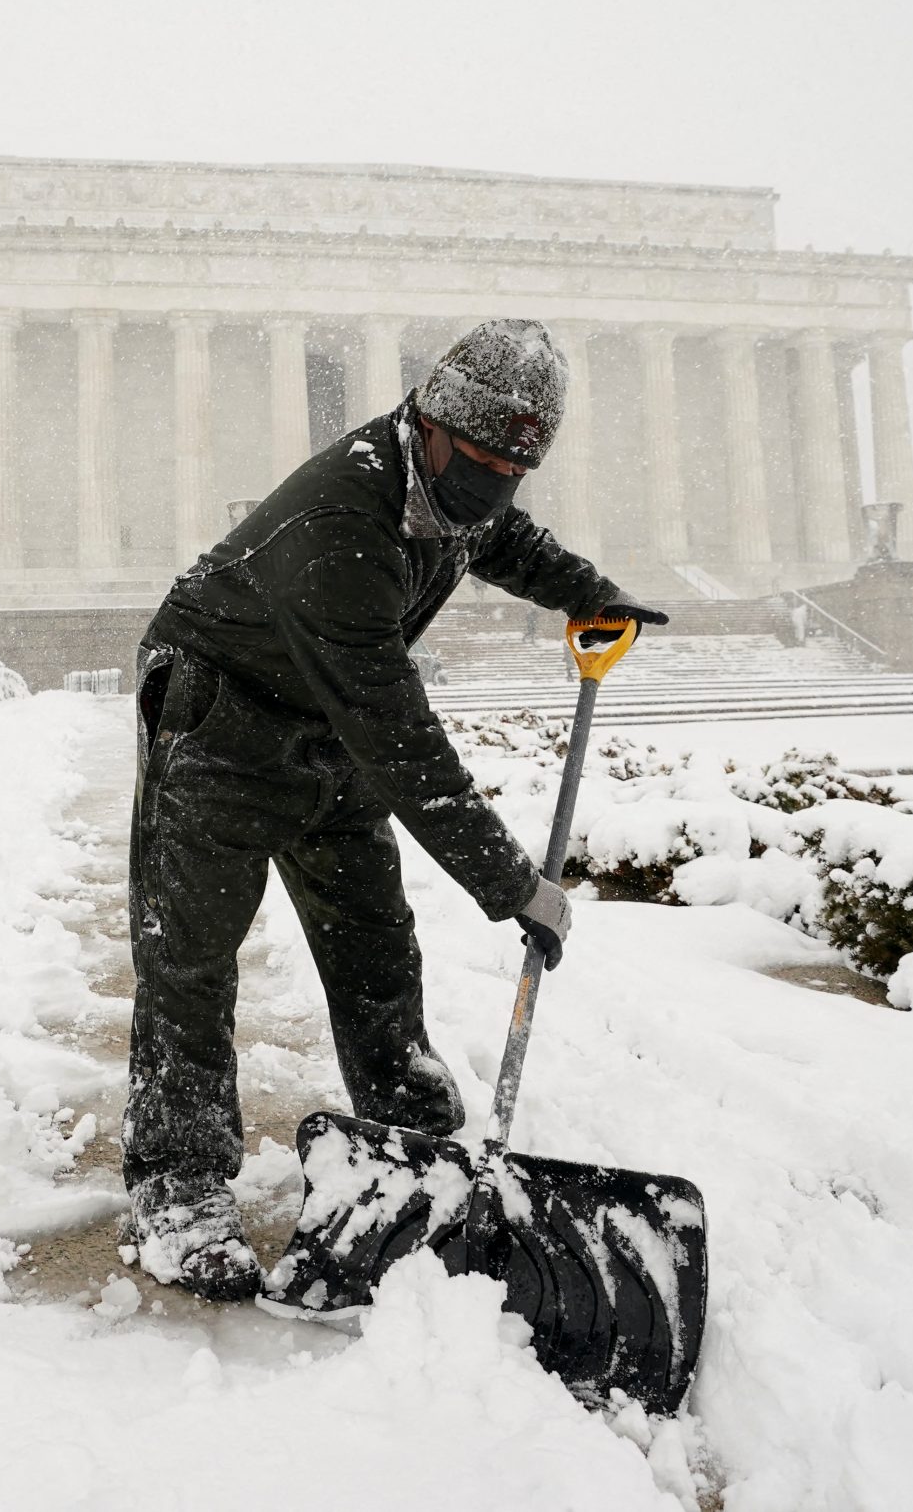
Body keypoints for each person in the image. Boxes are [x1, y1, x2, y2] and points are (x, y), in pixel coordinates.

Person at [122, 318, 667, 1298]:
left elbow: (504, 537)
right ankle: (178, 1185)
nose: (493, 485)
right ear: (429, 422)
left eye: (514, 468)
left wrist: (587, 591)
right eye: (481, 461)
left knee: (373, 937)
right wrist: (513, 887)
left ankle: (415, 1136)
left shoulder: (459, 493)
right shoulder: (340, 524)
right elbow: (402, 743)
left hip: (324, 710)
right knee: (192, 954)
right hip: (222, 711)